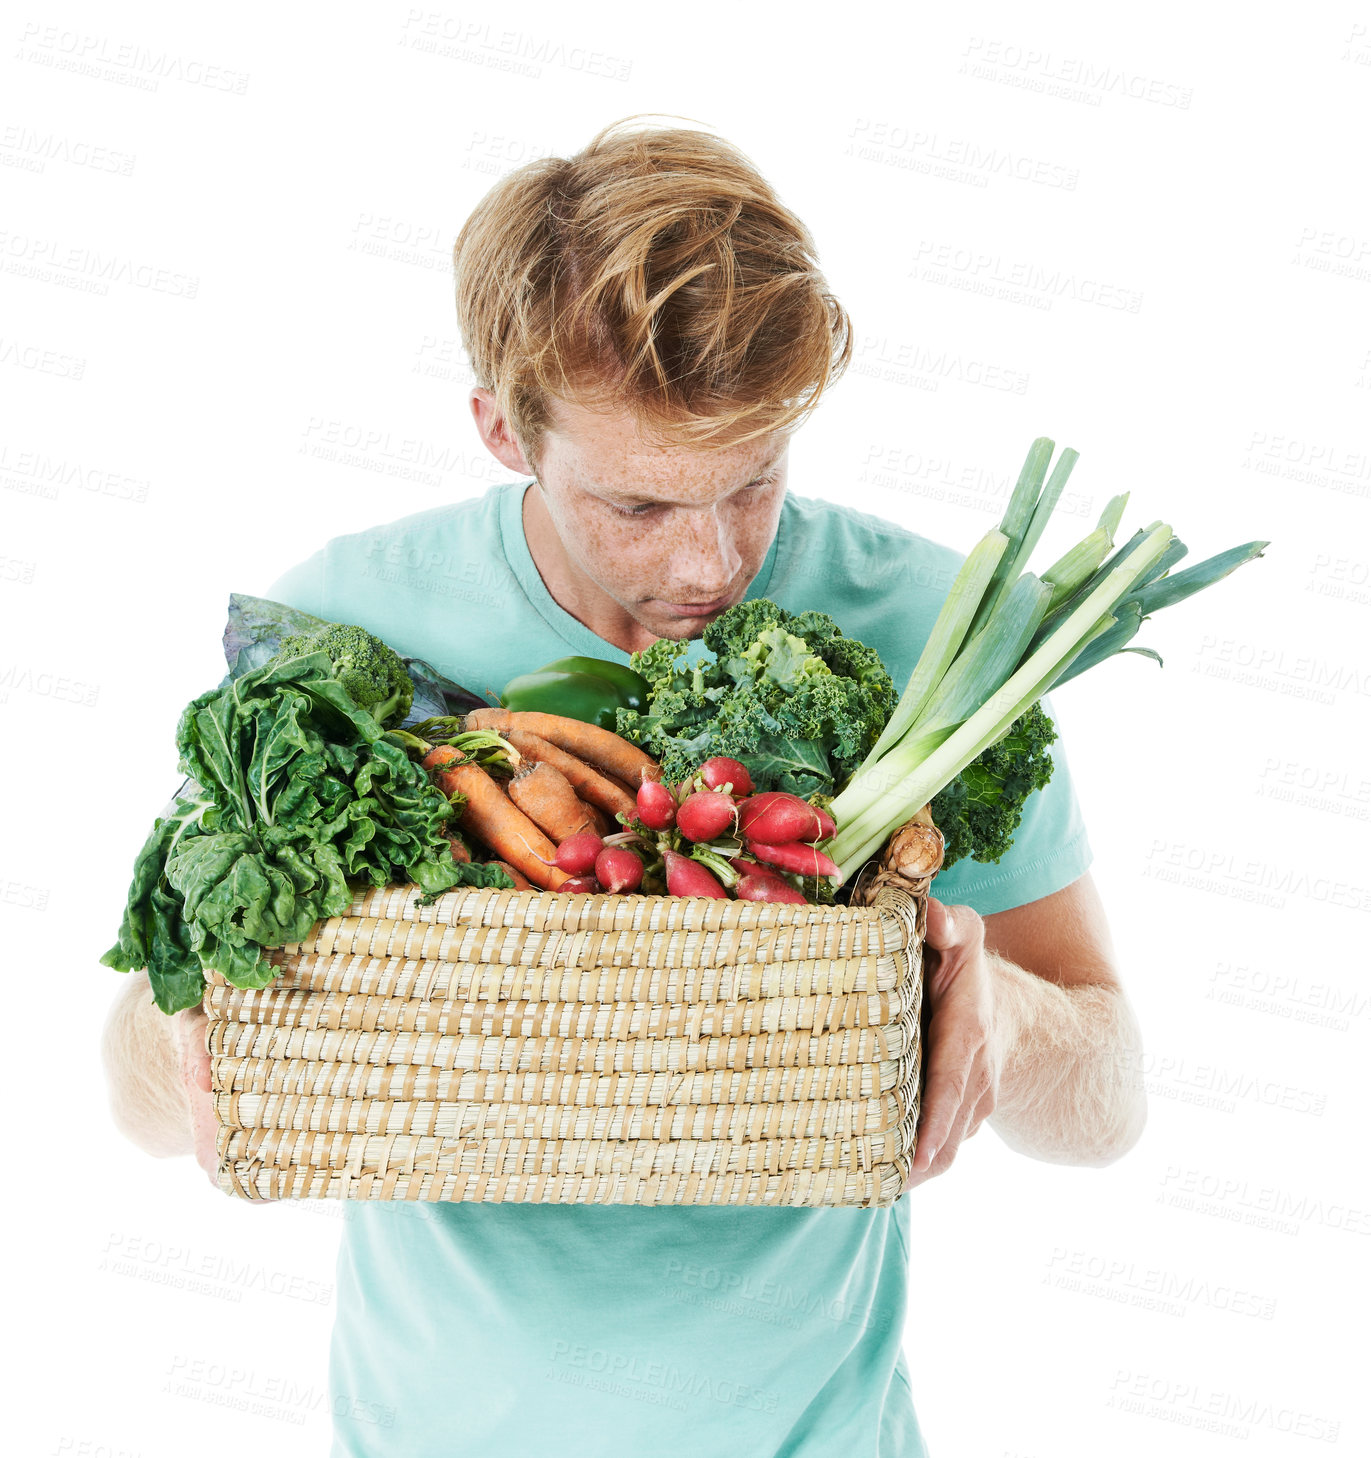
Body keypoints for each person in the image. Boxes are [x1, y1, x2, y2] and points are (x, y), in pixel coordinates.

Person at [102, 115, 1147, 1456]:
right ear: (500, 428)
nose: (709, 564)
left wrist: (1003, 1015)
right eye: (639, 509)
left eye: (756, 481)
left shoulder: (934, 636)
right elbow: (129, 1101)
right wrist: (220, 1017)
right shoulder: (337, 636)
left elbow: (1111, 1103)